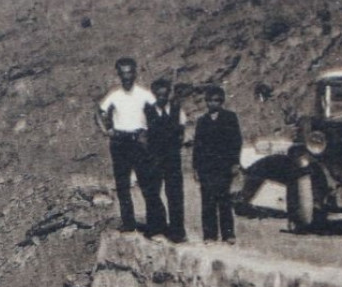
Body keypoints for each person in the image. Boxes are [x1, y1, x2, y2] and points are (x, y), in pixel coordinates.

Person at [95, 57, 157, 233]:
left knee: (146, 183)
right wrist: (107, 130)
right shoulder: (114, 96)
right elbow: (98, 113)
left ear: (135, 72)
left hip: (138, 141)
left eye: (130, 72)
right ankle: (128, 223)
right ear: (119, 74)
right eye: (123, 73)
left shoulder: (145, 94)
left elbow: (156, 115)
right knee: (122, 185)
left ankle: (153, 225)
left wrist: (148, 133)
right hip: (120, 142)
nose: (127, 77)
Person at [193, 84, 243, 244]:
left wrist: (235, 162)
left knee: (224, 200)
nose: (213, 104)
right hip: (206, 167)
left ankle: (228, 234)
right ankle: (209, 235)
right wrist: (195, 167)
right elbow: (197, 145)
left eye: (216, 101)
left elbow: (236, 141)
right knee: (207, 201)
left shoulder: (230, 118)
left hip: (224, 166)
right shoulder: (202, 121)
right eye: (210, 101)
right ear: (206, 102)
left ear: (221, 102)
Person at [145, 78, 187, 242]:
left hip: (172, 158)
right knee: (153, 192)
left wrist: (175, 145)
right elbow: (143, 134)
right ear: (154, 94)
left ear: (169, 94)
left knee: (175, 193)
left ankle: (177, 231)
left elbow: (182, 132)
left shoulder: (177, 110)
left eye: (165, 94)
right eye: (158, 95)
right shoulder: (147, 111)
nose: (162, 98)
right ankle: (156, 228)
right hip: (154, 157)